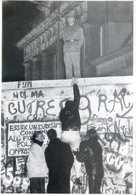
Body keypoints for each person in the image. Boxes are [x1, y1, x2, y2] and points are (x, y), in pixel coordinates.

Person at [59, 78, 82, 185]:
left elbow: (61, 117)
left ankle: (67, 176)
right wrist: (75, 84)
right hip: (74, 134)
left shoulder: (63, 113)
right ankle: (77, 176)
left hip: (65, 134)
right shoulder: (74, 108)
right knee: (76, 155)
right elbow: (77, 97)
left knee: (64, 156)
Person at [74, 128, 104, 193]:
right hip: (100, 172)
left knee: (92, 192)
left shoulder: (86, 144)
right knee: (97, 191)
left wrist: (77, 153)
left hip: (93, 173)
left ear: (89, 136)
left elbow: (80, 159)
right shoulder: (98, 144)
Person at [45, 128, 74, 193]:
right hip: (65, 174)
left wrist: (53, 169)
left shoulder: (48, 149)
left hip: (54, 175)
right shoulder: (66, 145)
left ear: (48, 137)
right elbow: (71, 159)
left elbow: (48, 164)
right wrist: (67, 169)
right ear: (56, 134)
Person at [63, 11, 84, 78]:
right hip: (67, 49)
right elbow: (64, 39)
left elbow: (81, 40)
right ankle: (68, 79)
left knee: (76, 65)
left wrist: (77, 46)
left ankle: (77, 79)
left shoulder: (79, 28)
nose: (69, 19)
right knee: (67, 65)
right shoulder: (65, 29)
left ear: (74, 19)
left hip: (75, 48)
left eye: (71, 18)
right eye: (68, 18)